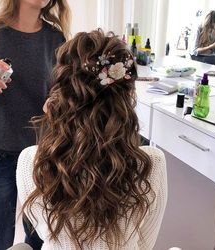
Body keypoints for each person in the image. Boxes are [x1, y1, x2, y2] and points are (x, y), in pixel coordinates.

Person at [17, 29, 167, 250]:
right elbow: (145, 243)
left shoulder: (32, 160)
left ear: (61, 94)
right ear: (127, 97)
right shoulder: (152, 164)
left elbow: (43, 233)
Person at [0, 0, 71, 249]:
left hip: (42, 156)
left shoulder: (55, 38)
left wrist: (58, 102)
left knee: (40, 239)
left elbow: (60, 92)